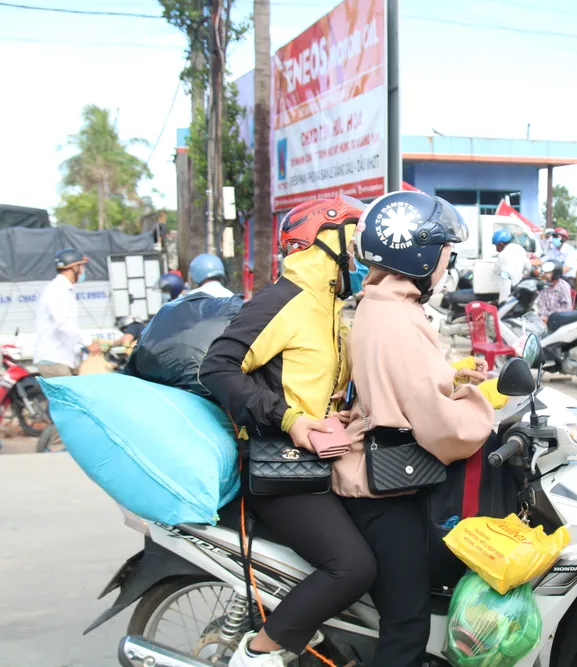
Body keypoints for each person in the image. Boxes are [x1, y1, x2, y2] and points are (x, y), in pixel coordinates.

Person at [200, 196, 375, 667]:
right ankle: (257, 654)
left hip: (319, 460)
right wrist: (290, 420)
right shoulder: (286, 298)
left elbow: (311, 387)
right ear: (326, 238)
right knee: (353, 566)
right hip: (280, 470)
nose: (364, 251)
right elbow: (217, 367)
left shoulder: (330, 305)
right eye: (357, 237)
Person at [339, 191, 495, 667]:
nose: (449, 264)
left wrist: (453, 379)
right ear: (422, 254)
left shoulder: (382, 304)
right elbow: (443, 425)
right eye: (447, 252)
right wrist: (480, 410)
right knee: (407, 621)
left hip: (370, 470)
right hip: (383, 487)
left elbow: (406, 381)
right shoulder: (396, 317)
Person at [34, 249, 105, 451]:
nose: (83, 271)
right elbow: (63, 324)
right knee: (66, 406)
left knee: (69, 403)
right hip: (53, 358)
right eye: (81, 267)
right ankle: (55, 449)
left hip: (61, 357)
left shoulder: (63, 290)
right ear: (73, 268)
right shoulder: (57, 291)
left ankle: (58, 446)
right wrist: (88, 342)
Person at [491, 229, 532, 303]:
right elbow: (529, 267)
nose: (496, 248)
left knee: (503, 307)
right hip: (520, 288)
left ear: (501, 243)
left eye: (496, 245)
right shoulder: (520, 250)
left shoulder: (502, 255)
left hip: (507, 288)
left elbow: (495, 271)